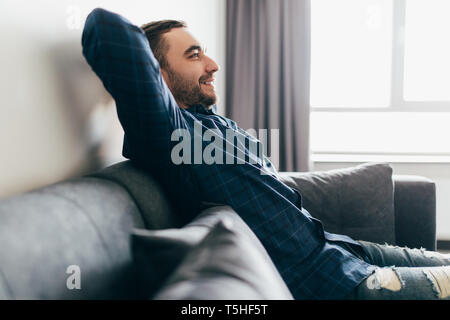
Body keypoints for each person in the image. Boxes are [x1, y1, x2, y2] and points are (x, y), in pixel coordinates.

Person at [81, 8, 450, 300]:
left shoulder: (212, 125)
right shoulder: (166, 133)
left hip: (342, 250)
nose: (213, 65)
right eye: (194, 56)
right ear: (156, 75)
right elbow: (108, 28)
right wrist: (147, 65)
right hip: (334, 282)